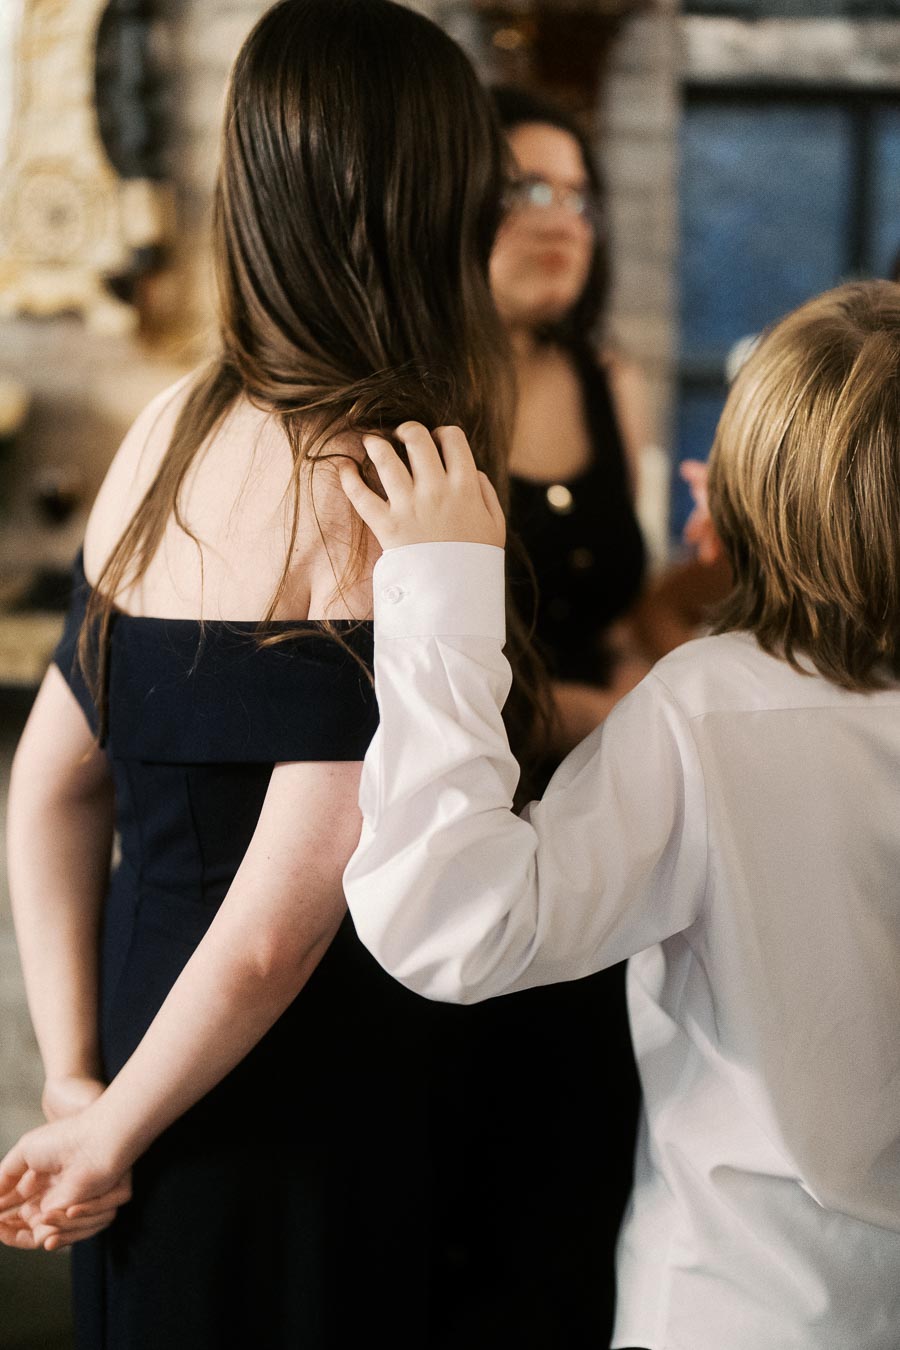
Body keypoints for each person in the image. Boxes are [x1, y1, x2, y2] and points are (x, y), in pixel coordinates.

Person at [0, 3, 541, 1346]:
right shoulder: (388, 481)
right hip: (290, 1095)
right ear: (432, 204)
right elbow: (268, 936)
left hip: (141, 1052)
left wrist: (79, 1082)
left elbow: (51, 784)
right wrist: (111, 1131)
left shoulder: (171, 424)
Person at [337, 279, 900, 1349]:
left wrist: (441, 594)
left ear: (756, 492)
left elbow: (455, 924)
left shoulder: (708, 711)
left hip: (741, 1303)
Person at [491, 85, 649, 754]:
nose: (562, 223)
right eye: (525, 190)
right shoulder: (405, 400)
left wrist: (641, 696)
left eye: (577, 197)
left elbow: (618, 624)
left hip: (605, 773)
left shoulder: (611, 382)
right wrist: (583, 717)